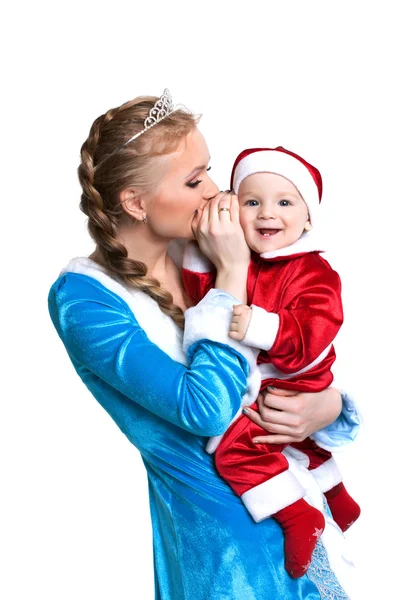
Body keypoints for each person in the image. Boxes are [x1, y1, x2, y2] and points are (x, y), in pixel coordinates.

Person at [48, 89, 360, 599]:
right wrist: (232, 273)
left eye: (210, 170)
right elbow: (206, 411)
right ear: (135, 202)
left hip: (303, 515)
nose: (219, 192)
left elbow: (309, 334)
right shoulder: (85, 299)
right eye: (196, 180)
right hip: (223, 556)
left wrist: (328, 407)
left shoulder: (204, 248)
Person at [182, 146, 361, 578]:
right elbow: (205, 296)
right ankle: (338, 498)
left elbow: (316, 328)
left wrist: (264, 328)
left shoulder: (314, 270)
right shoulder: (238, 259)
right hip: (274, 382)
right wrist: (197, 252)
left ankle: (298, 514)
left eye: (284, 202)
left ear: (308, 218)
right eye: (252, 201)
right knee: (295, 439)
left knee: (240, 449)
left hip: (298, 373)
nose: (267, 214)